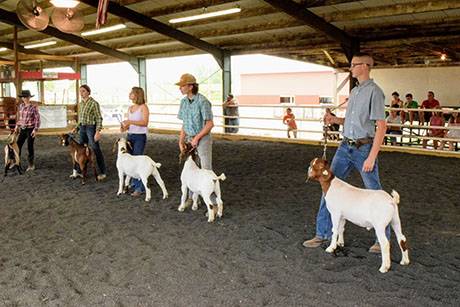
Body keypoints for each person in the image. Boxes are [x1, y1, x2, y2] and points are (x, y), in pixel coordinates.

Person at [303, 52, 390, 254]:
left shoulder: (375, 92)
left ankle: (382, 239)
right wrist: (335, 121)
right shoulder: (356, 91)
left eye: (354, 65)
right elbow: (354, 122)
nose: (350, 68)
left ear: (365, 66)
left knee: (375, 193)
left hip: (364, 148)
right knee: (328, 187)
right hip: (345, 147)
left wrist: (372, 156)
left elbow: (381, 126)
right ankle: (323, 233)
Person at [176, 73, 214, 170]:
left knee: (206, 168)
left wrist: (196, 138)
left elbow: (209, 124)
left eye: (182, 86)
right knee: (192, 168)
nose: (180, 88)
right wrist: (181, 141)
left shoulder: (203, 101)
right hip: (189, 138)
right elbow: (185, 123)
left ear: (191, 87)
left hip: (202, 139)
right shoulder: (183, 102)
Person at [121, 87, 149, 196]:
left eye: (131, 93)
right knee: (130, 160)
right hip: (130, 135)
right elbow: (130, 125)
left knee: (137, 160)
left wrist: (130, 121)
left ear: (136, 95)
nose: (129, 94)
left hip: (139, 137)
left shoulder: (144, 107)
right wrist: (125, 127)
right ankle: (134, 182)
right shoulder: (130, 108)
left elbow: (145, 122)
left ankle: (139, 187)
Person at [75, 84, 107, 180]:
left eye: (83, 91)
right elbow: (80, 118)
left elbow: (98, 118)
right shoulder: (80, 104)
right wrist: (77, 127)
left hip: (91, 128)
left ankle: (103, 171)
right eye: (80, 91)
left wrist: (97, 131)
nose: (81, 93)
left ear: (88, 92)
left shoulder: (94, 103)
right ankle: (79, 171)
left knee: (95, 148)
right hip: (82, 128)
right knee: (80, 149)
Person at [15, 90, 40, 171]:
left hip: (30, 129)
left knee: (30, 146)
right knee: (18, 145)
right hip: (22, 129)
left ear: (29, 97)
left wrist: (35, 130)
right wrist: (17, 126)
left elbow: (37, 119)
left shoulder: (33, 107)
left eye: (26, 97)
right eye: (23, 97)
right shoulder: (21, 106)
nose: (24, 98)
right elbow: (20, 118)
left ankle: (31, 164)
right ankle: (16, 162)